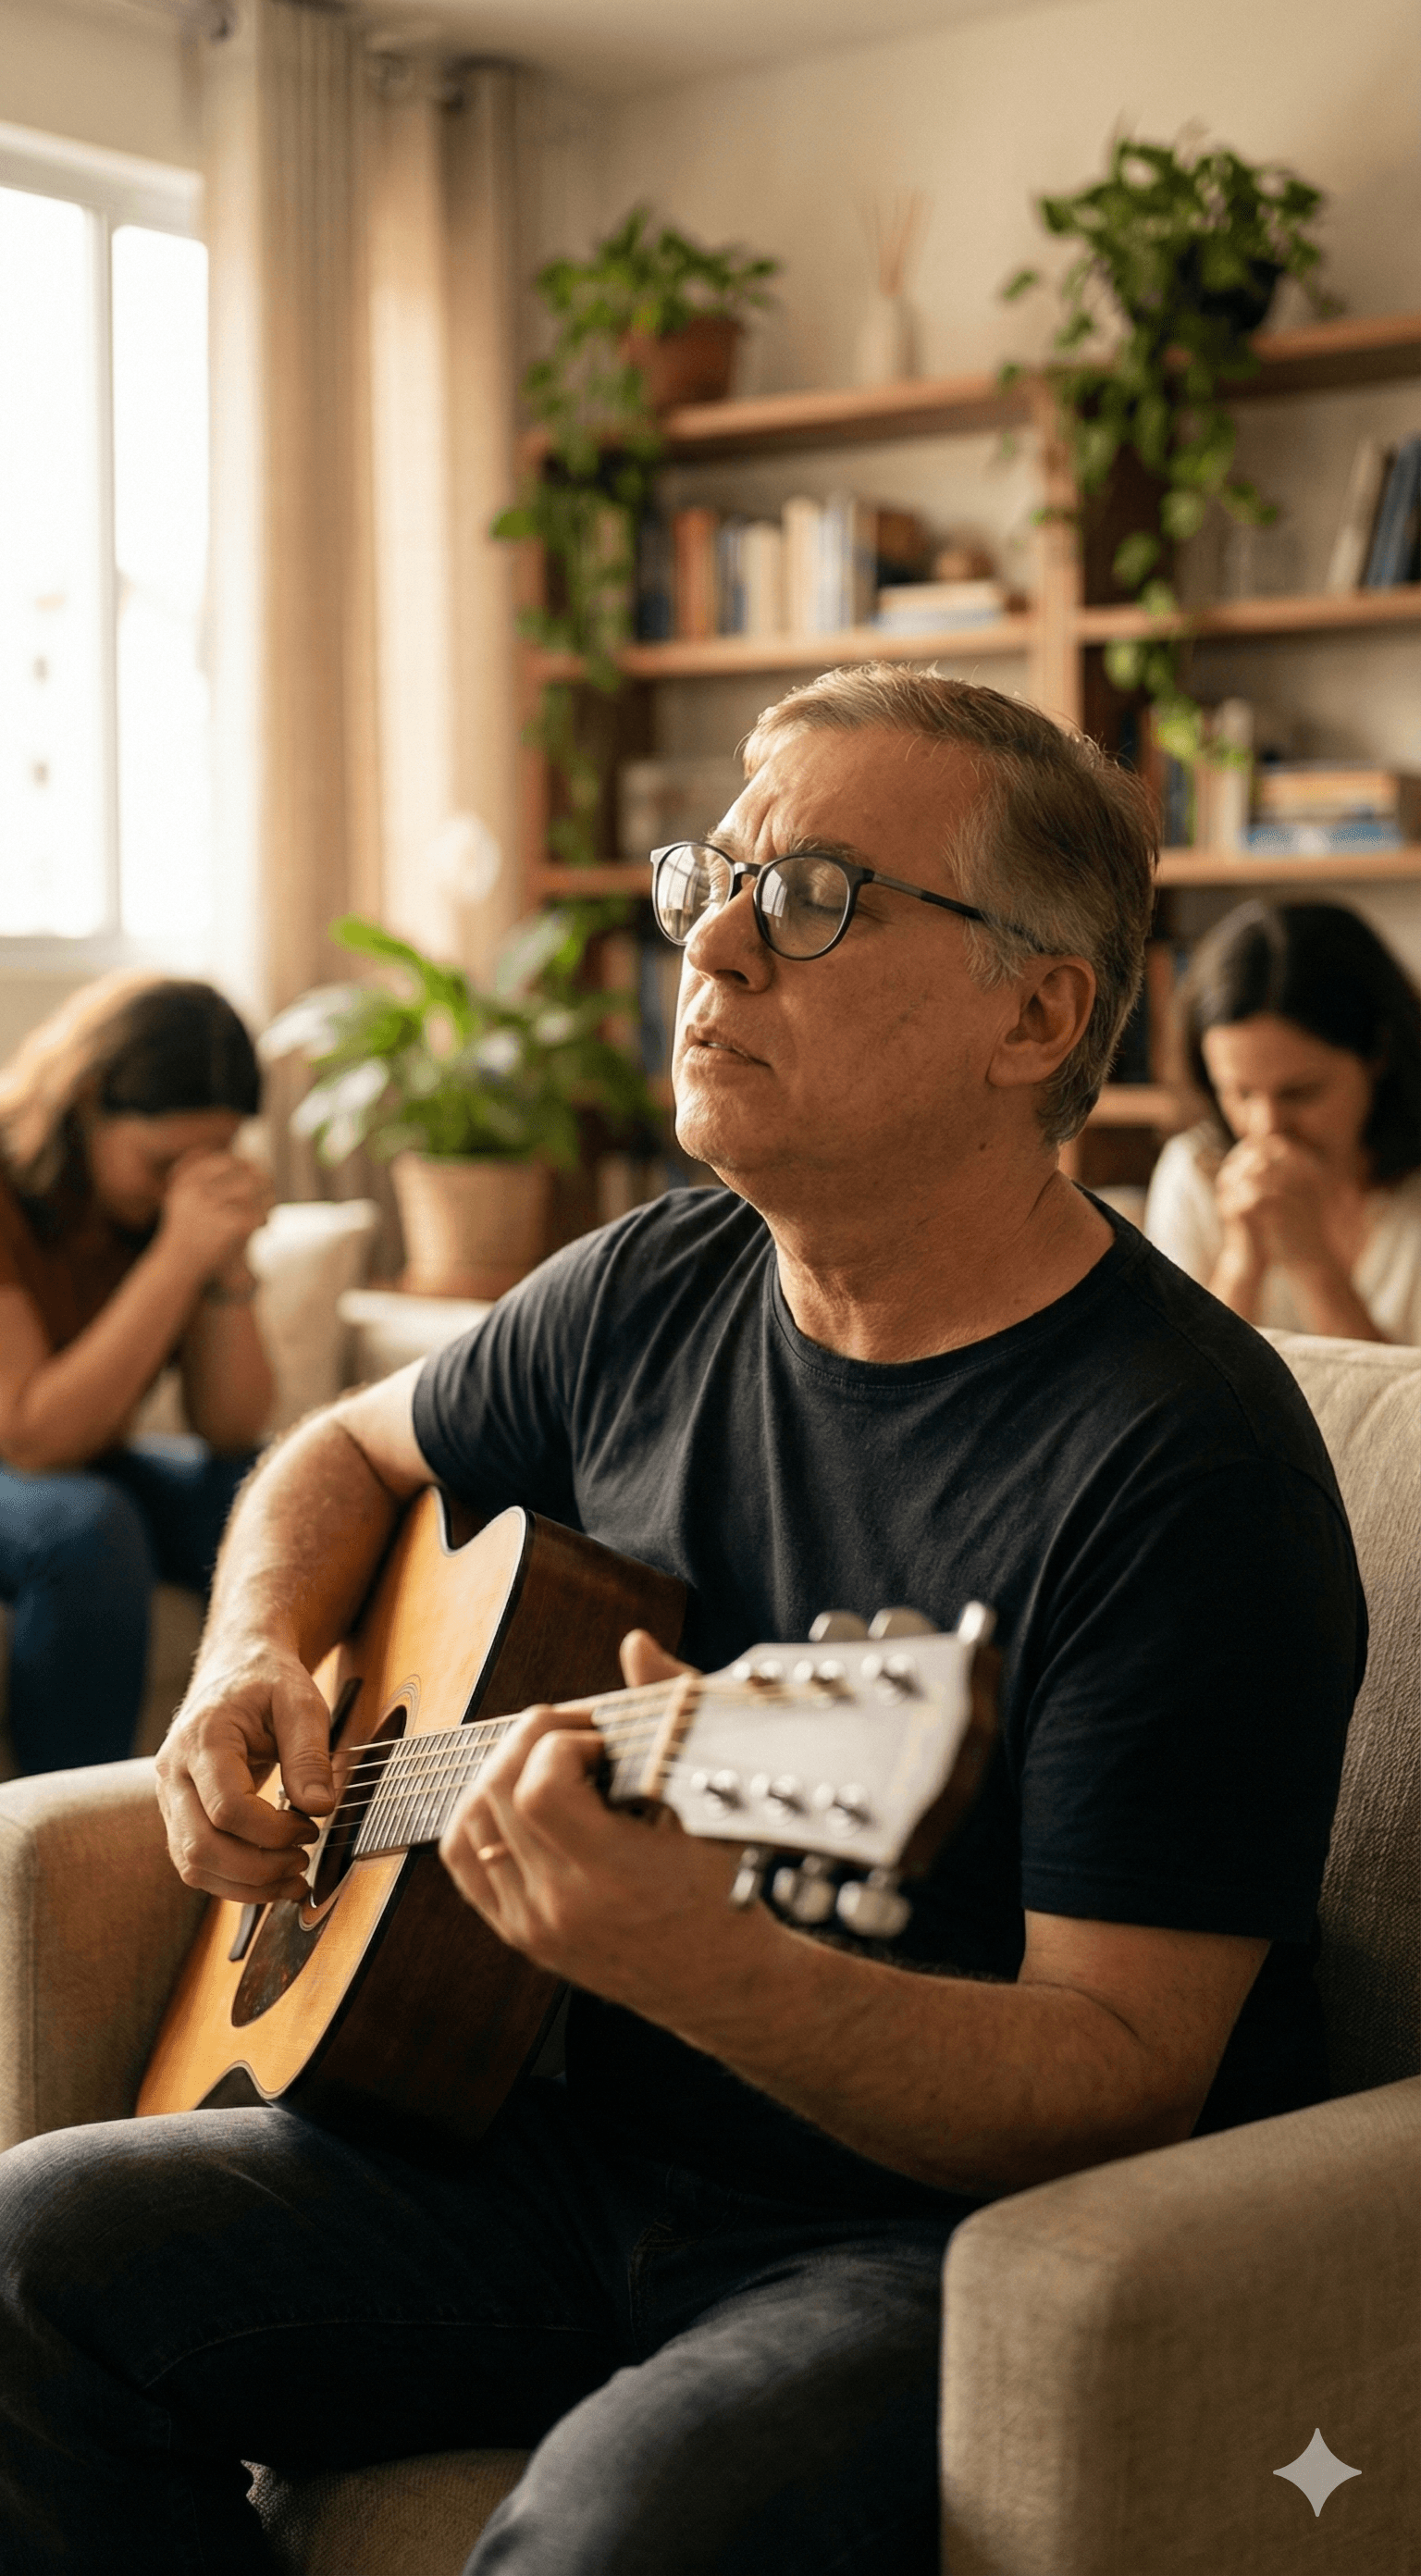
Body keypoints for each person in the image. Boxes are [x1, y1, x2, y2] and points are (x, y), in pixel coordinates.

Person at [0, 674, 1364, 2575]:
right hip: (555, 2154)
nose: (711, 944)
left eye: (811, 896)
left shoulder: (1188, 1467)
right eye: (712, 877)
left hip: (907, 2241)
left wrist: (707, 1965)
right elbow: (338, 1453)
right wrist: (253, 1658)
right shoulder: (654, 1280)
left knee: (614, 2535)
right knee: (26, 2254)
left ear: (1036, 1015)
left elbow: (1121, 2069)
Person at [0, 972, 274, 1771]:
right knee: (90, 1529)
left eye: (213, 1158)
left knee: (279, 1488)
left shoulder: (155, 1212)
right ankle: (64, 1825)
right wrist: (179, 1255)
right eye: (162, 1163)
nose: (181, 1188)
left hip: (86, 1458)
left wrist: (224, 1265)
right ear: (87, 1103)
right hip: (27, 1456)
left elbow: (230, 1425)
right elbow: (31, 1438)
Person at [1144, 899, 1421, 1341]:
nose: (1266, 1126)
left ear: (1378, 1055)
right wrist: (1242, 1263)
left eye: (1301, 1093)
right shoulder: (1194, 1170)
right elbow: (1180, 1379)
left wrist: (1312, 1263)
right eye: (1241, 1093)